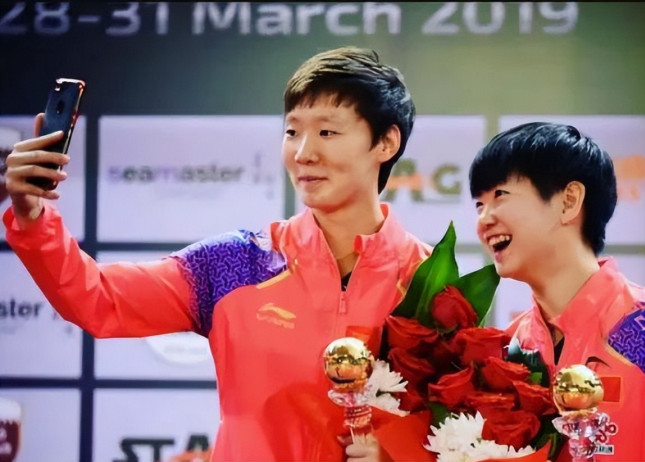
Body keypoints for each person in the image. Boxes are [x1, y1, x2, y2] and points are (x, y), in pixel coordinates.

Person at [3, 46, 430, 462]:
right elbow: (98, 297)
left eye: (327, 132)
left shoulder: (433, 284)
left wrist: (397, 455)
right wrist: (33, 215)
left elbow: (454, 434)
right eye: (292, 132)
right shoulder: (236, 263)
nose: (303, 153)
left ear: (385, 142)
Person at [468, 121, 645, 461]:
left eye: (500, 195)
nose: (484, 220)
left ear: (569, 201)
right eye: (479, 205)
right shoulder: (510, 347)